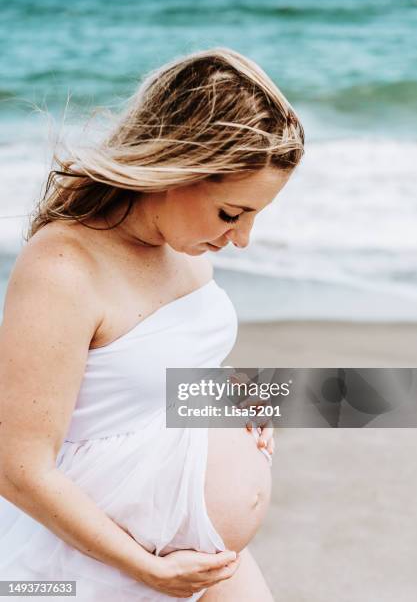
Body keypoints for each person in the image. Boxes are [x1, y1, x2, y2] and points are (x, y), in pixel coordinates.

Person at [0, 47, 304, 601]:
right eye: (231, 213)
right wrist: (146, 568)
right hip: (95, 566)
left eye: (255, 216)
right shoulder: (63, 267)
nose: (241, 239)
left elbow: (132, 387)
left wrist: (228, 397)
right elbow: (17, 468)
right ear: (175, 168)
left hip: (203, 561)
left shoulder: (186, 249)